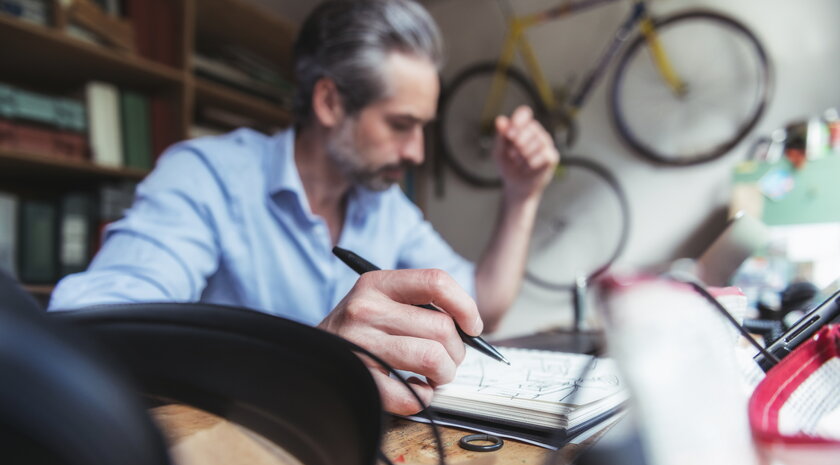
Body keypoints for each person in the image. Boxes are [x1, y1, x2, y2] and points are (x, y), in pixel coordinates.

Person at [49, 0, 558, 415]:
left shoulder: (386, 207)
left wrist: (521, 195)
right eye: (401, 124)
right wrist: (309, 358)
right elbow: (90, 335)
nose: (418, 152)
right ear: (330, 102)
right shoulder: (207, 175)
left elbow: (482, 306)